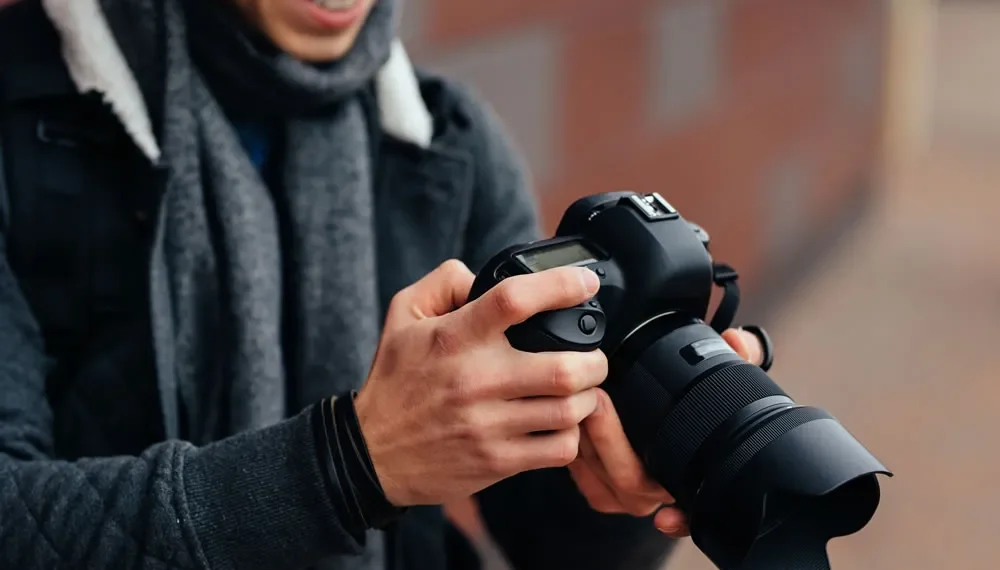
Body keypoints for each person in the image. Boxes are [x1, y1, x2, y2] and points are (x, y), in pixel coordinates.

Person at [0, 0, 772, 569]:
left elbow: (549, 541)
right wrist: (348, 464)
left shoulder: (447, 142)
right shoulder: (21, 118)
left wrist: (627, 478)